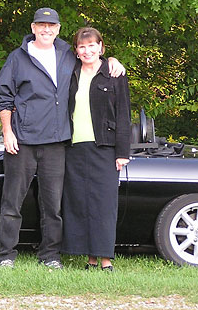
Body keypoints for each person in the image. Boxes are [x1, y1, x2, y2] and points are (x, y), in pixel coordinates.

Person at [0, 8, 125, 269]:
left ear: (58, 29)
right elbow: (3, 97)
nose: (46, 29)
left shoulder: (66, 54)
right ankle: (6, 255)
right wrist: (7, 132)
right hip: (22, 141)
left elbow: (92, 62)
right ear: (32, 28)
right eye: (41, 25)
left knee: (53, 206)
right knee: (12, 203)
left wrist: (113, 60)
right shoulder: (18, 58)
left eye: (51, 25)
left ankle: (50, 256)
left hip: (57, 143)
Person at [61, 27, 131, 272]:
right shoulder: (70, 73)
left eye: (92, 45)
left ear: (101, 47)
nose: (87, 50)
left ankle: (105, 260)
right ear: (76, 51)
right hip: (74, 148)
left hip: (105, 148)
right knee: (79, 202)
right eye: (82, 46)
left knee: (103, 204)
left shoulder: (114, 74)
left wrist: (123, 152)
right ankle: (89, 258)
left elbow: (124, 114)